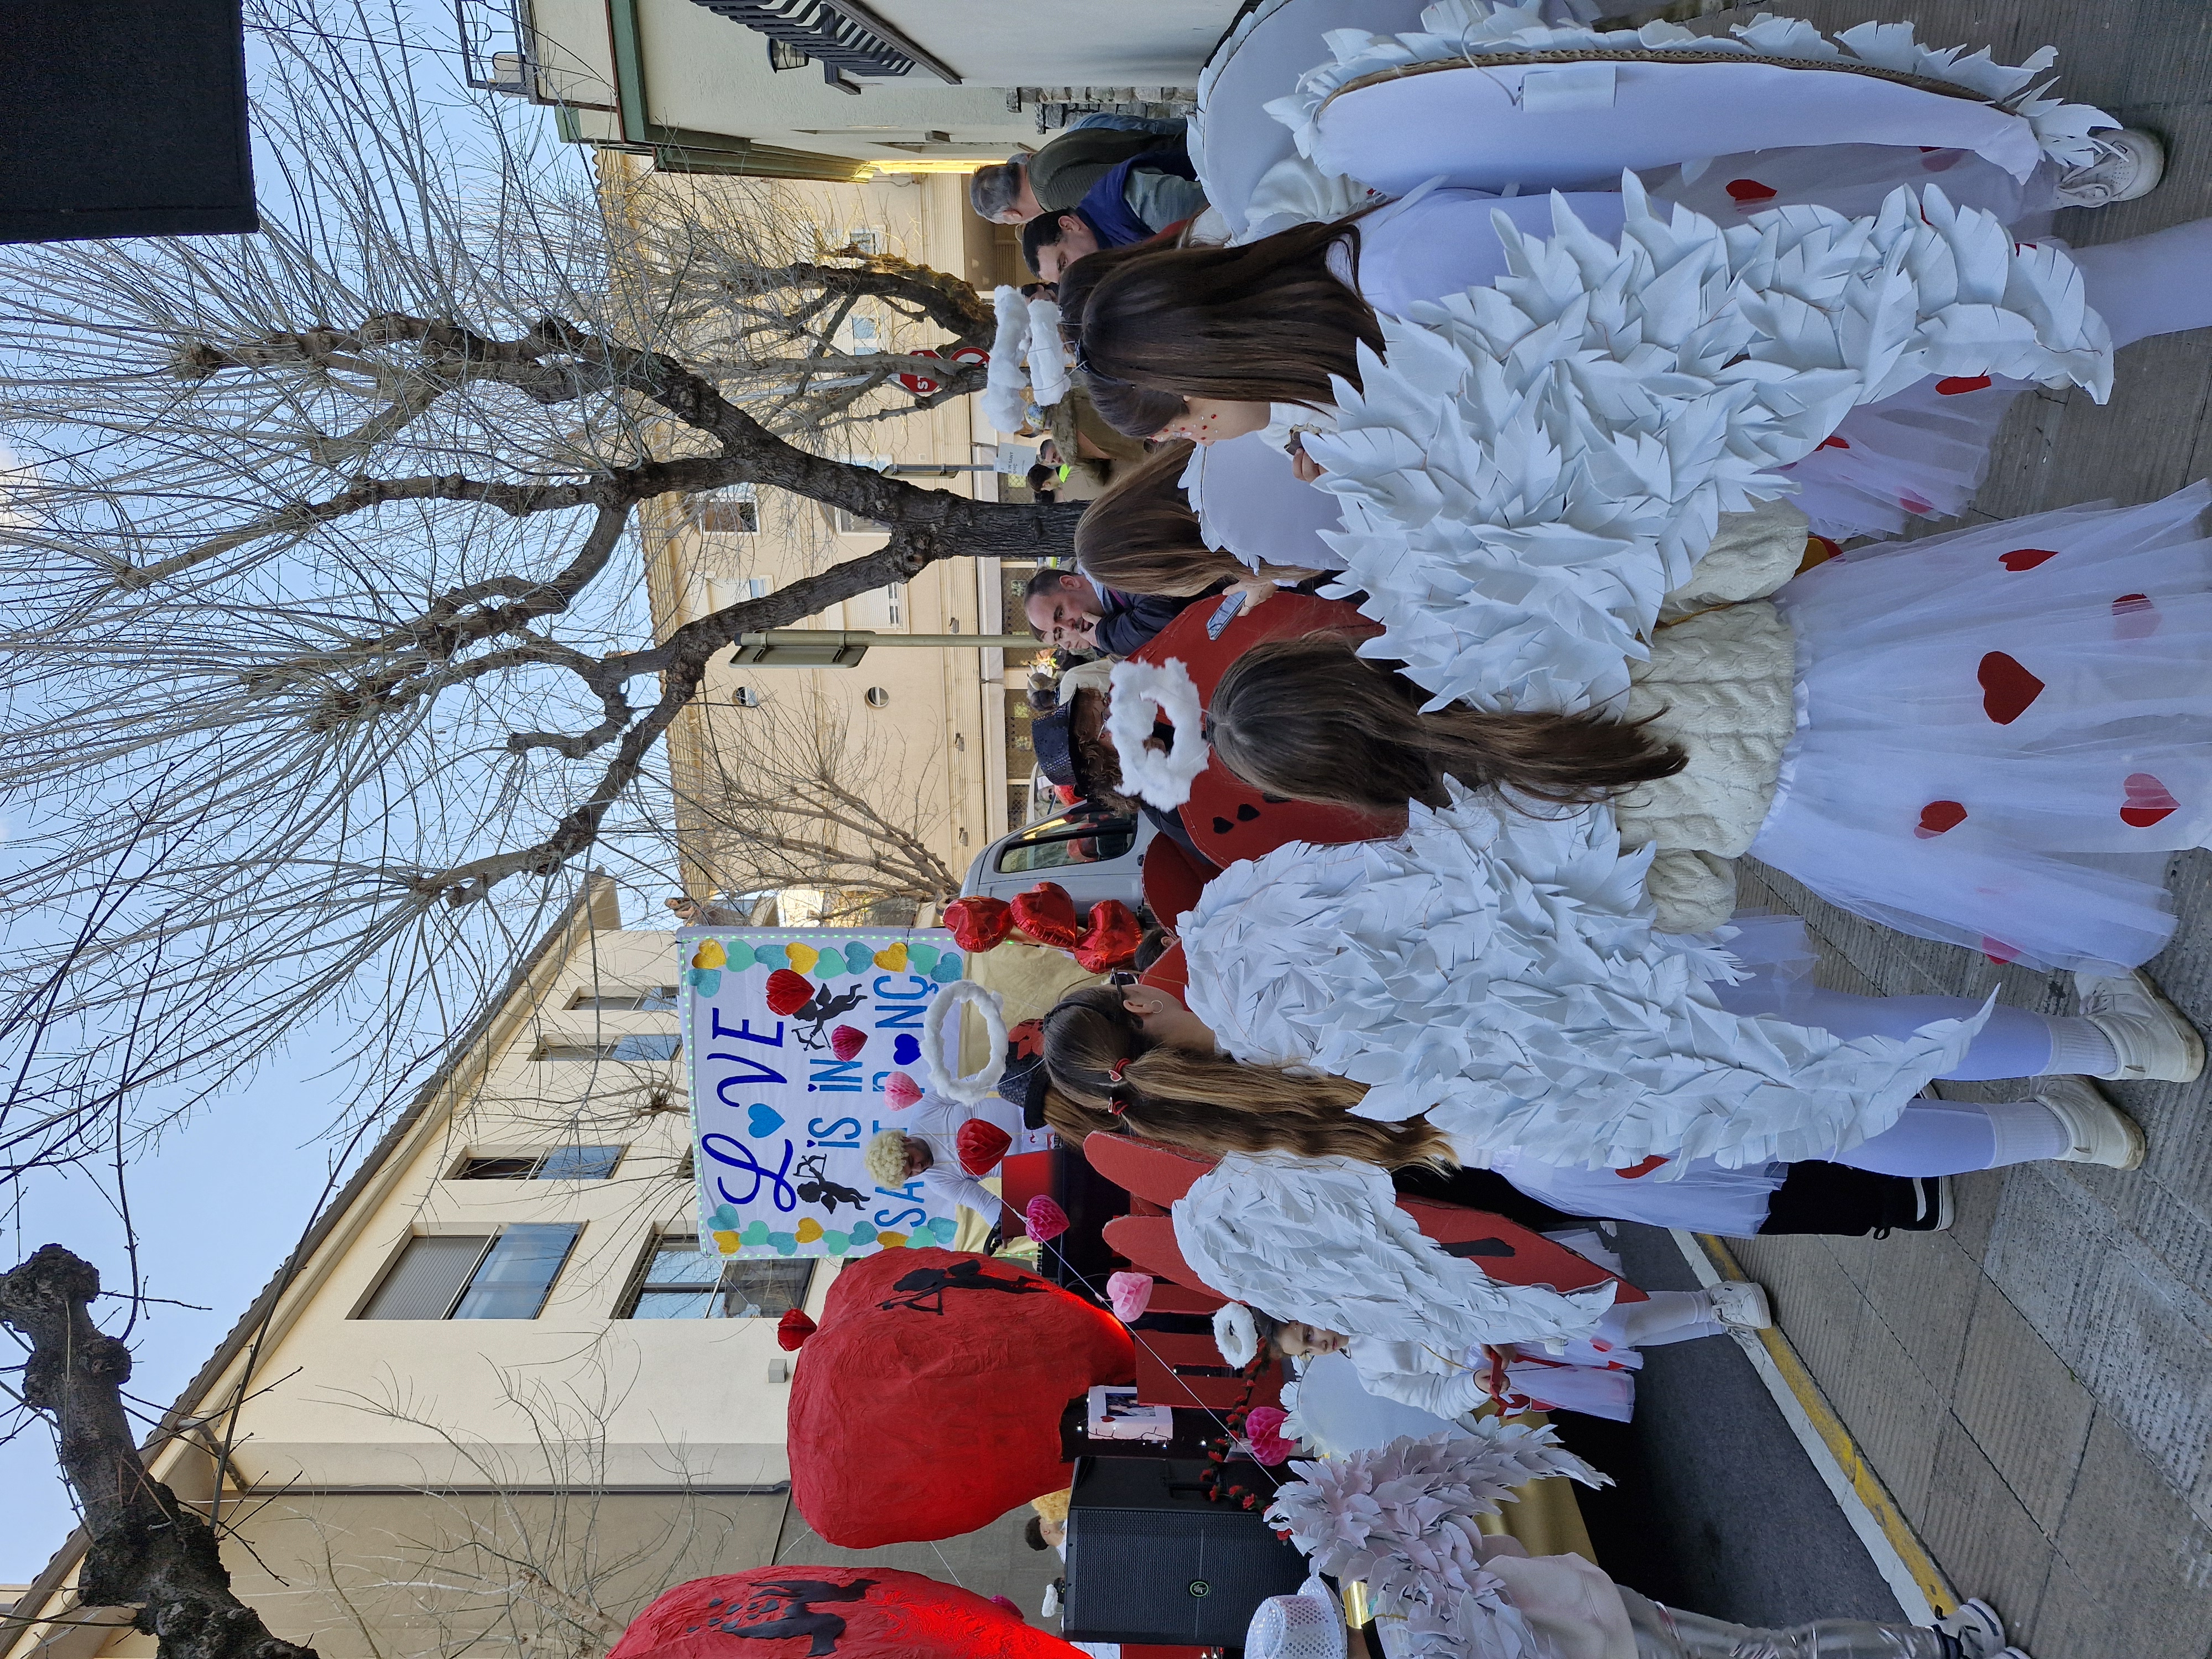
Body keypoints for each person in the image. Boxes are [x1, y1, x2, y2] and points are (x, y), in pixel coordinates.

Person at [1201, 480, 2212, 977]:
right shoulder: (1480, 624)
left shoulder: (1485, 832)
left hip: (1826, 811)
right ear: (1334, 656)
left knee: (2067, 780)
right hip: (1835, 653)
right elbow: (1730, 551)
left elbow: (1690, 894)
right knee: (2087, 658)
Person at [1037, 775, 2176, 1180]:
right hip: (1593, 976)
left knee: (1813, 1114)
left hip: (1579, 1101)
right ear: (1132, 1000)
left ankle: (2067, 1134)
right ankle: (2118, 1047)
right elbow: (1419, 867)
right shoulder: (1236, 928)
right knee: (1846, 1037)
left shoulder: (1259, 1118)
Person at [1212, 1280, 1766, 1424]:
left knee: (1615, 1325)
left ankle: (1711, 1303)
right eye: (1308, 1352)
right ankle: (1716, 1324)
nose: (1320, 1345)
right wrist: (1473, 1387)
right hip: (1506, 1363)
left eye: (1309, 1333)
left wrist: (1480, 1321)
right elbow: (1431, 1397)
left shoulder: (1364, 1291)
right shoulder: (1371, 1373)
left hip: (1503, 1312)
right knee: (1616, 1348)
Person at [1072, 440, 1323, 603]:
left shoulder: (1244, 545)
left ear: (1158, 571)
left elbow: (1321, 552)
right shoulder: (1204, 437)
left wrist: (1270, 576)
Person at [968, 113, 1192, 224]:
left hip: (1194, 169)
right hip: (1187, 145)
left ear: (1012, 215)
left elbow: (1146, 197)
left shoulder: (1051, 194)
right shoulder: (1048, 154)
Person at [862, 1086, 1025, 1224]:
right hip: (1031, 1160)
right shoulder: (938, 1183)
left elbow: (976, 1083)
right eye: (911, 1175)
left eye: (911, 1161)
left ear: (905, 1140)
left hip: (1026, 1110)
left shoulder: (925, 1109)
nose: (918, 1170)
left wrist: (1020, 1084)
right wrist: (1003, 1227)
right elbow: (984, 1203)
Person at [1021, 565, 1194, 657]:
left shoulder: (1112, 571)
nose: (1070, 629)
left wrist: (1106, 636)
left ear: (1070, 583)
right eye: (1058, 631)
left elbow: (1165, 616)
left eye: (1060, 614)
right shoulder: (1111, 614)